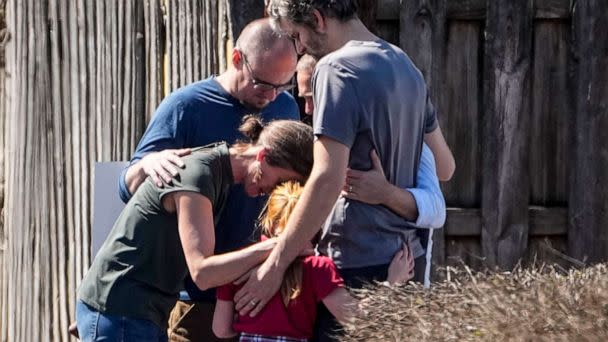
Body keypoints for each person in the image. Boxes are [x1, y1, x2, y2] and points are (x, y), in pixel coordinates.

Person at [235, 1, 454, 340]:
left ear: (318, 20)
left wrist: (275, 266)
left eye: (298, 35)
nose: (301, 46)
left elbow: (326, 178)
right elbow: (445, 165)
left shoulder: (336, 68)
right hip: (404, 262)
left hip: (355, 267)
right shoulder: (405, 64)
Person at [119, 18, 300, 342]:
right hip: (195, 298)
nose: (272, 97)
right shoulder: (186, 107)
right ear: (236, 59)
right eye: (262, 84)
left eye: (283, 86)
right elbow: (127, 187)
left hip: (259, 289)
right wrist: (148, 164)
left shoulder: (285, 108)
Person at [75, 117, 314, 341]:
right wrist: (282, 245)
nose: (276, 191)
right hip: (121, 311)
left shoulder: (216, 171)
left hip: (141, 312)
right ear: (262, 155)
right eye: (282, 181)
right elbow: (203, 273)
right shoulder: (200, 175)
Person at [211, 181, 415, 341]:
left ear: (270, 223)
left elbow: (221, 329)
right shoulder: (317, 267)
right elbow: (356, 319)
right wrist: (392, 283)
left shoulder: (239, 266)